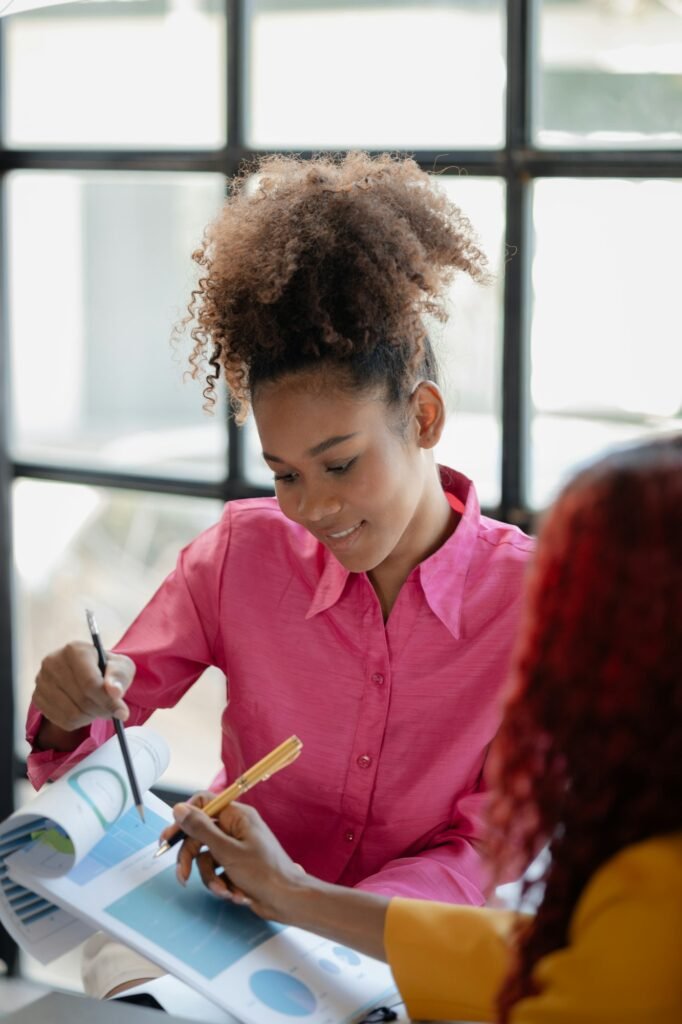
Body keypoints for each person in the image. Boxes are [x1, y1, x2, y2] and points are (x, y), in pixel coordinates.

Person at [26, 154, 533, 995]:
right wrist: (66, 706)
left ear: (425, 415)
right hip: (213, 927)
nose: (312, 507)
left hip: (401, 953)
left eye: (339, 464)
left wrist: (309, 905)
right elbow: (89, 740)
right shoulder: (241, 554)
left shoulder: (530, 604)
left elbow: (484, 852)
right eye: (285, 472)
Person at [167, 434, 682, 1024]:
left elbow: (565, 976)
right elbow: (544, 959)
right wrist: (292, 893)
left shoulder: (657, 890)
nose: (551, 665)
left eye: (566, 616)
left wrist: (296, 897)